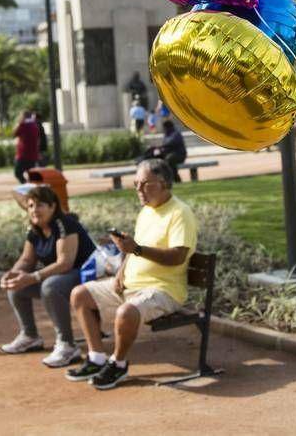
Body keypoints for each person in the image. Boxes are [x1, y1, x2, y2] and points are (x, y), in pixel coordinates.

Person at [67, 158, 198, 390]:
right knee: (79, 295)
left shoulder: (180, 213)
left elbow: (177, 256)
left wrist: (135, 248)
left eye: (145, 184)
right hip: (129, 285)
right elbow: (135, 247)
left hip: (164, 290)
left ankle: (118, 363)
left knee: (126, 311)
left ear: (164, 183)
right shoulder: (146, 211)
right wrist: (122, 270)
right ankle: (97, 358)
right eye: (136, 183)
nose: (138, 190)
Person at [0, 185, 97, 368]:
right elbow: (26, 259)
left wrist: (32, 277)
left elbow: (65, 263)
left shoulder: (64, 224)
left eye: (40, 205)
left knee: (50, 287)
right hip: (64, 277)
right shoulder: (34, 229)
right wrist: (13, 274)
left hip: (87, 277)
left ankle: (67, 345)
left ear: (53, 207)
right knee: (17, 285)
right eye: (30, 206)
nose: (34, 210)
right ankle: (30, 336)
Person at [13, 110, 40, 184]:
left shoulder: (23, 125)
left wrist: (19, 122)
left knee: (17, 173)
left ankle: (27, 186)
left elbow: (14, 133)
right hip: (33, 155)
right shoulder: (35, 125)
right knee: (32, 174)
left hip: (22, 155)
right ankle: (32, 187)